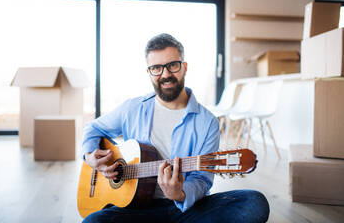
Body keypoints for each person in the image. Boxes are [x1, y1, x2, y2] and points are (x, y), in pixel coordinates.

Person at [81, 33, 270, 223]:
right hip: (135, 208)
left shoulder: (207, 122)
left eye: (172, 65)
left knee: (254, 202)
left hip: (186, 210)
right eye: (156, 68)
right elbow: (93, 128)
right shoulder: (132, 108)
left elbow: (202, 180)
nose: (165, 75)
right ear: (149, 72)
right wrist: (90, 155)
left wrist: (180, 193)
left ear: (184, 67)